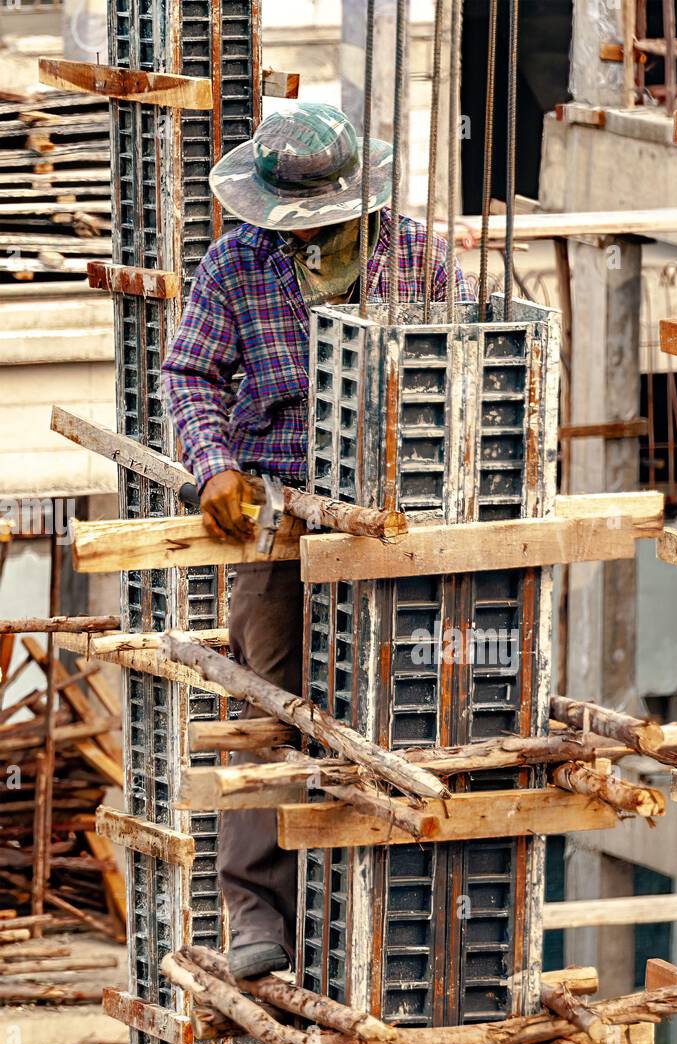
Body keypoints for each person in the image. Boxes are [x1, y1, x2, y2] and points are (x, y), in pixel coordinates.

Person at [163, 102, 470, 978]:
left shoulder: (411, 255)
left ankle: (399, 911)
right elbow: (191, 372)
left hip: (395, 516)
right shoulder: (236, 263)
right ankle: (261, 917)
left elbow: (457, 361)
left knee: (407, 700)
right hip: (283, 511)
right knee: (271, 707)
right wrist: (214, 464)